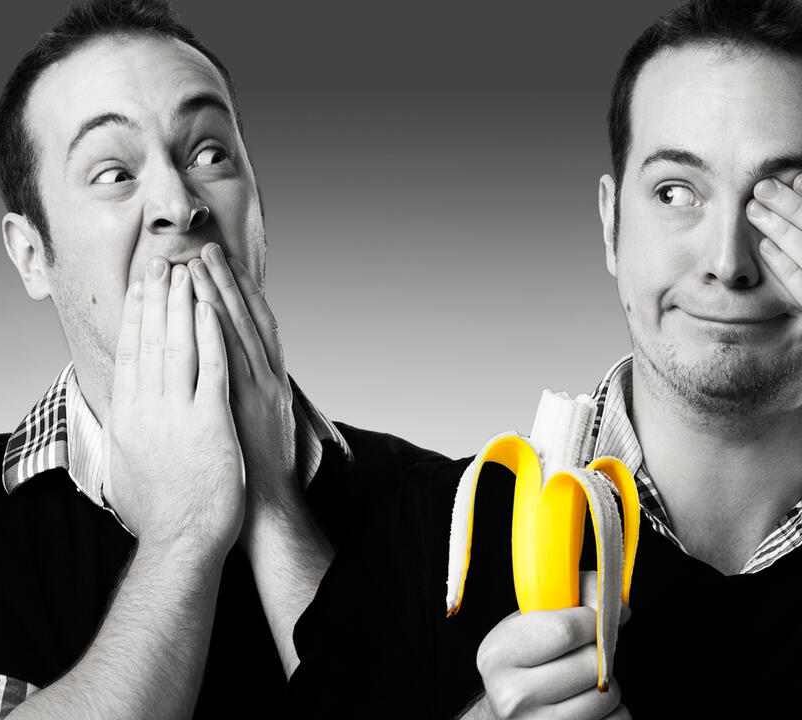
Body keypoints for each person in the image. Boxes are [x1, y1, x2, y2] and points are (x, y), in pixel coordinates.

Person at [0, 1, 394, 717]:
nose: (178, 202)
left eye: (209, 153)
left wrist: (275, 510)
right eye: (113, 173)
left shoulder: (444, 504)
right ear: (32, 255)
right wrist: (182, 539)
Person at [287, 0, 802, 717]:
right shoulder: (422, 542)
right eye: (675, 192)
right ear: (610, 222)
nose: (728, 262)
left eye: (784, 200)